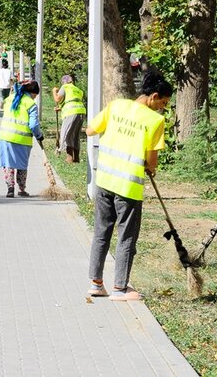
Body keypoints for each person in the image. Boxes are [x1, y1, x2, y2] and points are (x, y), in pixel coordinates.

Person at [85, 71, 172, 301]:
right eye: (162, 103)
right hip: (128, 187)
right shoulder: (155, 121)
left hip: (104, 181)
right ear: (153, 96)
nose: (162, 108)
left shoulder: (116, 106)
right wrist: (150, 167)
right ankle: (120, 289)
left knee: (101, 233)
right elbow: (151, 162)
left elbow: (90, 130)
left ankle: (95, 283)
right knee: (126, 237)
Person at [0, 80, 44, 198]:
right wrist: (39, 135)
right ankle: (22, 189)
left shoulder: (10, 99)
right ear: (32, 93)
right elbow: (33, 125)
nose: (35, 98)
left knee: (8, 164)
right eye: (35, 95)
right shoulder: (31, 104)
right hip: (22, 139)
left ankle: (10, 188)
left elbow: (2, 106)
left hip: (5, 137)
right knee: (22, 165)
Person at [53, 74, 86, 164]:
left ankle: (69, 158)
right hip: (81, 112)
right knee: (75, 136)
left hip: (71, 112)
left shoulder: (65, 87)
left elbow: (57, 99)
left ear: (64, 82)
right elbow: (72, 100)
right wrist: (60, 108)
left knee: (67, 134)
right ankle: (76, 158)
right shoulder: (77, 89)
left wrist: (54, 91)